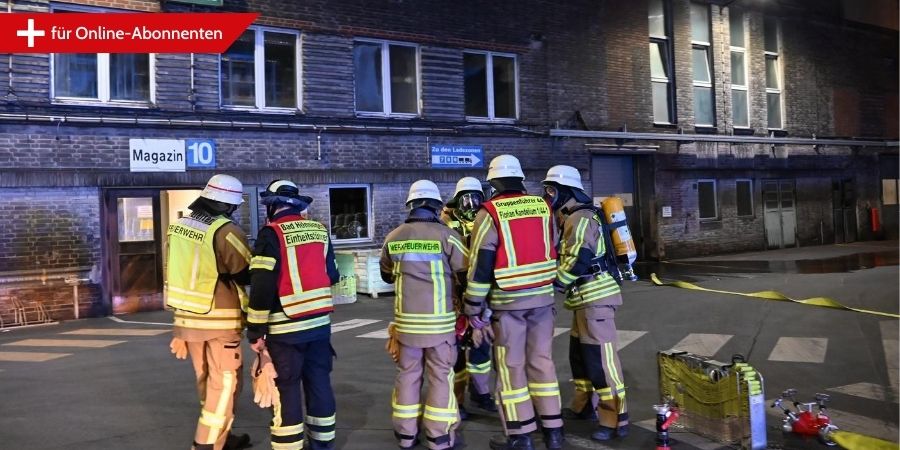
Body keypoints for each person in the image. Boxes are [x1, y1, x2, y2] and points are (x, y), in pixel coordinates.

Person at [463, 155, 564, 450]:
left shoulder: (489, 212)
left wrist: (473, 306)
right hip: (543, 299)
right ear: (520, 180)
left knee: (512, 367)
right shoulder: (542, 206)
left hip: (508, 304)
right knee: (543, 364)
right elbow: (553, 246)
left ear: (493, 182)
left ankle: (520, 437)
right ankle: (553, 432)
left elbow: (481, 264)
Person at [246, 180, 340, 450]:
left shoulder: (270, 234)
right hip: (320, 327)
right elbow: (332, 274)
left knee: (286, 389)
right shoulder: (319, 231)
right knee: (319, 382)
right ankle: (323, 444)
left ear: (272, 205)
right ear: (298, 205)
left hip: (285, 331)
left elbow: (262, 286)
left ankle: (290, 447)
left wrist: (255, 331)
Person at [541, 165, 629, 441]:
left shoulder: (580, 217)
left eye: (552, 190)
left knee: (602, 361)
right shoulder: (571, 217)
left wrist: (554, 284)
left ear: (567, 191)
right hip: (583, 299)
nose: (549, 196)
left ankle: (615, 420)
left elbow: (578, 258)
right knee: (580, 358)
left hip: (595, 298)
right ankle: (583, 407)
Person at [166, 174, 253, 450]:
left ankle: (221, 438)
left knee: (205, 380)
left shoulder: (178, 226)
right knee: (225, 384)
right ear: (228, 206)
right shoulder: (226, 231)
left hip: (186, 320)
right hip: (220, 320)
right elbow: (245, 271)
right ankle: (205, 443)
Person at [380, 180, 468, 450]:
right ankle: (438, 437)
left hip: (406, 326)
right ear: (436, 206)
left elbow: (385, 275)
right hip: (440, 325)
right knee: (441, 376)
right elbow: (465, 275)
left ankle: (406, 436)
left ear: (411, 205)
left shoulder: (394, 236)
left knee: (408, 376)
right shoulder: (448, 236)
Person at [441, 177, 497, 418]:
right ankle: (458, 400)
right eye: (466, 198)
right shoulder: (444, 223)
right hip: (454, 294)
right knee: (454, 352)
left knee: (481, 347)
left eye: (475, 197)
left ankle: (481, 393)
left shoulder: (486, 219)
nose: (471, 203)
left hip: (480, 291)